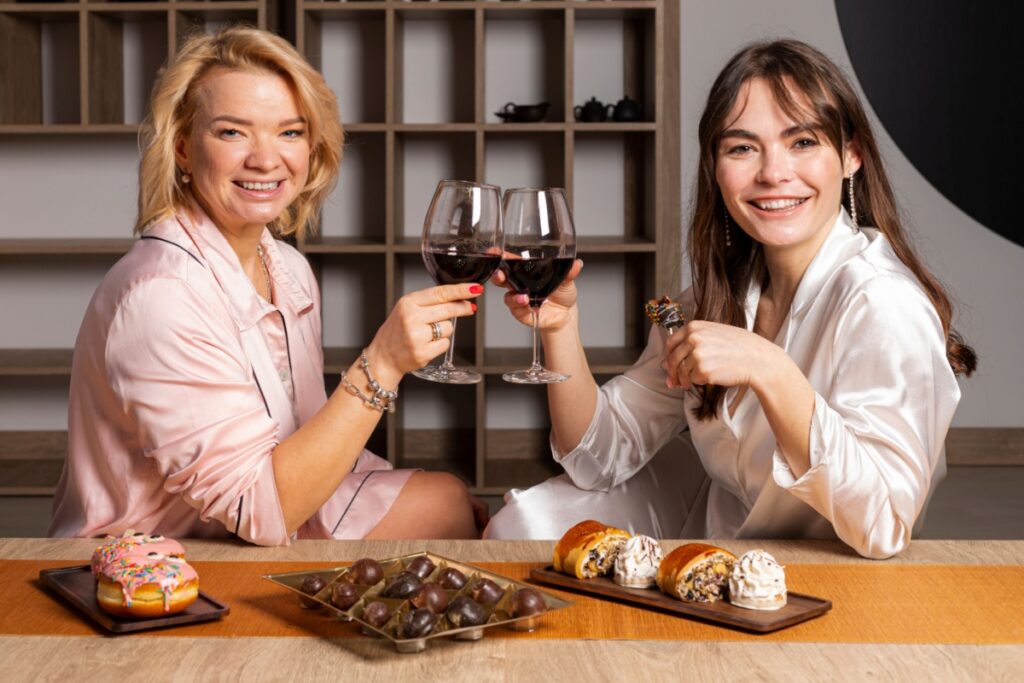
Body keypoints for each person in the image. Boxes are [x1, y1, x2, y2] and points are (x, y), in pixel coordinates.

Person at [484, 39, 976, 559]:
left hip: (832, 570)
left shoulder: (883, 302)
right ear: (716, 170)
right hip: (719, 538)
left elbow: (885, 524)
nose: (773, 173)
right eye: (742, 147)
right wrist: (560, 330)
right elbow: (598, 457)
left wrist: (772, 369)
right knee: (524, 527)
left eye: (802, 142)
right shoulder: (713, 298)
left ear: (851, 155)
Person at [49, 27, 487, 544]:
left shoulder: (287, 267)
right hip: (159, 566)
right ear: (184, 148)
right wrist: (383, 364)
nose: (265, 159)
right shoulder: (162, 296)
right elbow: (257, 511)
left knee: (452, 503)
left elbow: (304, 438)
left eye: (290, 132)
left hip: (257, 522)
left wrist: (407, 490)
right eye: (233, 132)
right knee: (447, 512)